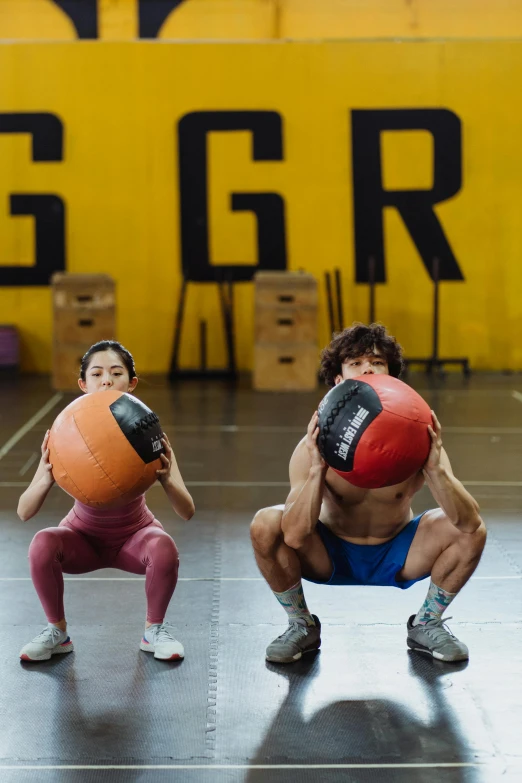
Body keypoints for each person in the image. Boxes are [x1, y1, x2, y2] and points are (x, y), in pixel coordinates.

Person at [250, 323, 486, 664]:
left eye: (377, 362)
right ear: (338, 380)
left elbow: (467, 521)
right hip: (329, 553)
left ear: (392, 376)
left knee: (473, 530)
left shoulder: (420, 437)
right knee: (265, 524)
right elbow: (296, 534)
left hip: (400, 553)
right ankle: (300, 625)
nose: (368, 368)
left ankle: (428, 622)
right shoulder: (312, 446)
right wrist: (318, 469)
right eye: (356, 362)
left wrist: (435, 470)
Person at [18, 340, 195, 662]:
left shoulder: (148, 437)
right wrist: (44, 479)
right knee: (42, 542)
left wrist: (167, 480)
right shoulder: (63, 436)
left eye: (116, 373)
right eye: (97, 374)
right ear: (83, 384)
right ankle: (57, 633)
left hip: (133, 538)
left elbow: (187, 511)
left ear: (132, 383)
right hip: (82, 540)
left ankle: (154, 631)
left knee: (163, 544)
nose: (107, 381)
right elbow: (24, 511)